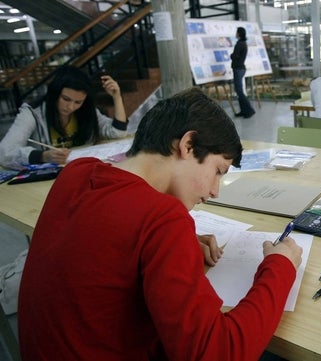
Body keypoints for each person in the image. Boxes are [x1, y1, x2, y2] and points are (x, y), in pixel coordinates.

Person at [18, 88, 303, 361]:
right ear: (187, 145)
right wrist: (280, 267)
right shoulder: (163, 219)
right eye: (218, 171)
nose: (216, 190)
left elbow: (103, 243)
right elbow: (219, 354)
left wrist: (173, 247)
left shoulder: (75, 173)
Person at [0, 66, 128, 169]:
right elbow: (5, 153)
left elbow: (117, 132)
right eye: (66, 99)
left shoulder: (86, 110)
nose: (71, 107)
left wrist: (116, 97)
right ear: (55, 93)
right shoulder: (32, 113)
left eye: (78, 102)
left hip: (83, 170)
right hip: (51, 176)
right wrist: (43, 156)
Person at [230, 26, 255, 119]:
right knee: (238, 91)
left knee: (239, 91)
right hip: (240, 68)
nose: (235, 34)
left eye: (237, 32)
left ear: (239, 33)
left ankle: (249, 110)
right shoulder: (243, 43)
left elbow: (234, 56)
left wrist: (231, 56)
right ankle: (243, 110)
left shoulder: (240, 44)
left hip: (238, 69)